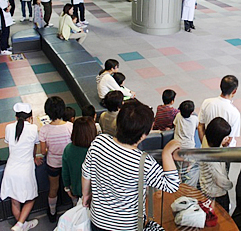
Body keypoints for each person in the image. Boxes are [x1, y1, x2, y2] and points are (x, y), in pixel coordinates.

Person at [81, 101, 180, 231]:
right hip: (127, 226)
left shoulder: (99, 142)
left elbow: (86, 172)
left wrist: (86, 195)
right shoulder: (144, 162)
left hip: (98, 220)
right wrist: (166, 153)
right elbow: (172, 185)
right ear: (144, 134)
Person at [0, 103, 40, 231]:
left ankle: (22, 224)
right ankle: (20, 224)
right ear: (30, 117)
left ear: (16, 117)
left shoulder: (9, 128)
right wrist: (34, 157)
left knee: (14, 200)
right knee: (31, 198)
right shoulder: (33, 128)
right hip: (25, 170)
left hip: (10, 169)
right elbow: (35, 147)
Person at [37, 96, 73, 223]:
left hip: (52, 164)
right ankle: (76, 209)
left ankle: (52, 213)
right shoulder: (70, 126)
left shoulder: (44, 129)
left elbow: (42, 151)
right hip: (68, 163)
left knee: (53, 188)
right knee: (71, 186)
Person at [199, 117, 232, 212]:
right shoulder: (212, 160)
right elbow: (221, 181)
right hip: (216, 194)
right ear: (218, 138)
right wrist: (230, 184)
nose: (228, 138)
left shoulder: (207, 139)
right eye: (225, 137)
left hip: (205, 186)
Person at [62, 117, 97, 207]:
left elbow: (65, 172)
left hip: (76, 189)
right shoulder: (96, 150)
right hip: (94, 193)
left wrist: (67, 188)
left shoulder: (68, 149)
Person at [198, 75, 241, 147]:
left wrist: (205, 145)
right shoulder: (235, 113)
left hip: (207, 144)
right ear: (234, 91)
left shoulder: (207, 102)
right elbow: (230, 139)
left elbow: (200, 127)